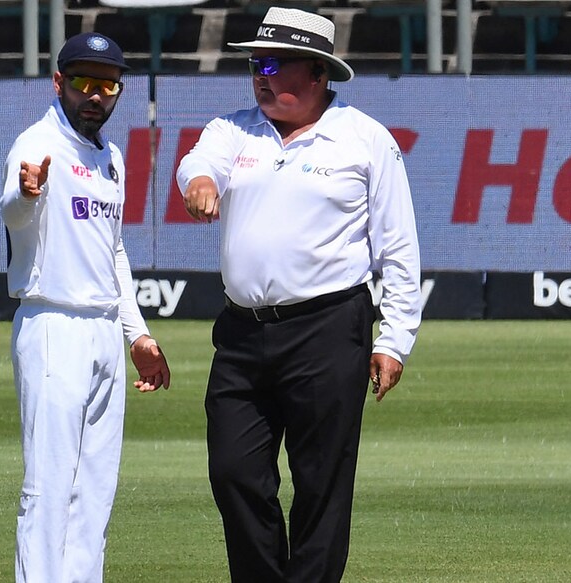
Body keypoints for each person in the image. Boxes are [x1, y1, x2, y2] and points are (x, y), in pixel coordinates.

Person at [176, 7, 423, 583]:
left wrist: (395, 340)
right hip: (242, 332)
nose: (259, 75)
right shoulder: (232, 129)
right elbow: (196, 164)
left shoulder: (365, 140)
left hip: (330, 328)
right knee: (234, 473)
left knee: (322, 484)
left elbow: (398, 248)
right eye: (255, 64)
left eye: (273, 64)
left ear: (316, 74)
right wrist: (201, 182)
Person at [0, 31, 171, 583]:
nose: (94, 96)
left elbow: (112, 251)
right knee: (47, 488)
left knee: (95, 489)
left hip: (102, 330)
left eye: (107, 86)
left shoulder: (112, 158)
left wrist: (137, 335)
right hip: (52, 323)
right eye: (82, 83)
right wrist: (27, 195)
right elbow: (13, 214)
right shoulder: (35, 144)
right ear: (59, 83)